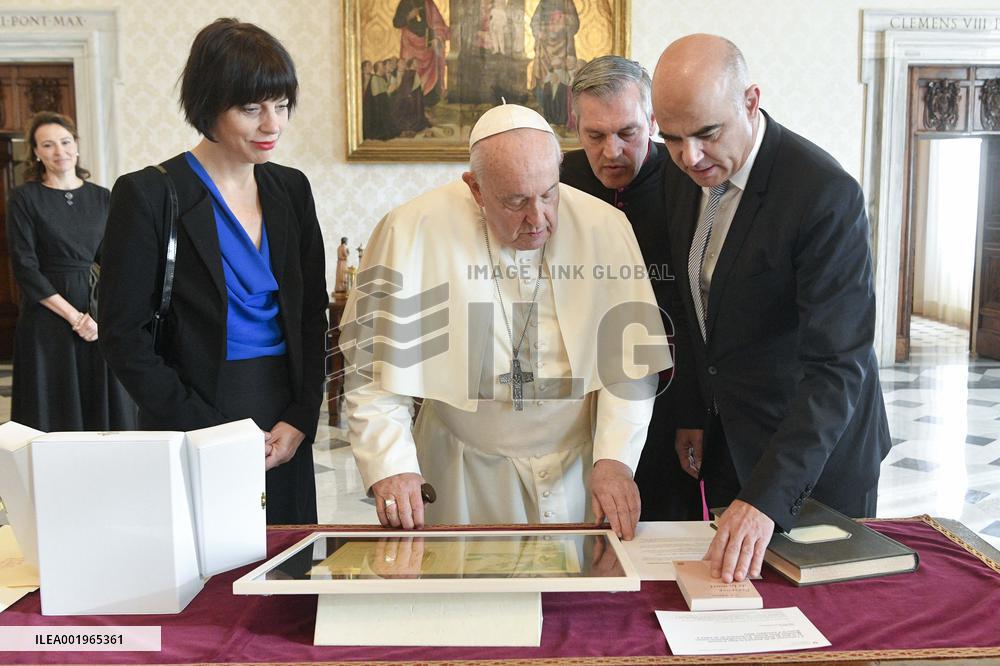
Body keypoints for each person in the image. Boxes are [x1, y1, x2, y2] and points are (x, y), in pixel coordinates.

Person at [343, 104, 670, 540]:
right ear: (476, 188)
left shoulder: (604, 227)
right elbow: (371, 375)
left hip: (578, 469)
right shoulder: (410, 229)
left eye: (549, 194)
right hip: (460, 469)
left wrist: (615, 460)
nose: (538, 219)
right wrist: (392, 467)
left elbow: (630, 365)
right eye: (515, 201)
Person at [651, 34, 891, 581]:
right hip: (731, 437)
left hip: (817, 458)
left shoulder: (823, 195)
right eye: (672, 138)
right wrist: (693, 411)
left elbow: (837, 367)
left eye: (707, 133)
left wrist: (767, 496)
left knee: (827, 617)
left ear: (751, 101)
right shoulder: (681, 172)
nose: (689, 157)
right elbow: (693, 306)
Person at [99, 18, 328, 524]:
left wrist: (301, 415)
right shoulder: (150, 194)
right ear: (208, 105)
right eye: (251, 109)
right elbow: (123, 336)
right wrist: (210, 431)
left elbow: (313, 313)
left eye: (281, 105)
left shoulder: (292, 189)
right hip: (193, 412)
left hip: (283, 416)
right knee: (211, 563)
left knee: (285, 554)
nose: (272, 125)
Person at [560, 55, 702, 521]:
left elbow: (697, 313)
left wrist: (692, 414)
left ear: (652, 121)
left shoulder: (688, 182)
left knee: (663, 521)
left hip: (669, 393)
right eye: (595, 135)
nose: (612, 152)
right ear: (575, 125)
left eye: (628, 133)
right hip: (581, 394)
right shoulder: (556, 182)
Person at [5, 111, 136, 432]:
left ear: (76, 145)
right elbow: (25, 266)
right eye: (47, 145)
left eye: (65, 142)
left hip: (95, 314)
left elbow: (114, 263)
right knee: (53, 403)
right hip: (47, 315)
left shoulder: (102, 197)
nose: (59, 151)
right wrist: (75, 318)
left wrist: (100, 317)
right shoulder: (24, 198)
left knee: (104, 401)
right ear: (36, 152)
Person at [393, 0, 450, 107]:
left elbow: (438, 24)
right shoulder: (405, 2)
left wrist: (437, 38)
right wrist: (409, 16)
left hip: (428, 45)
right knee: (410, 73)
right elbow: (397, 22)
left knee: (432, 76)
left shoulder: (428, 3)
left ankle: (429, 103)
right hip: (410, 43)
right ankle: (410, 103)